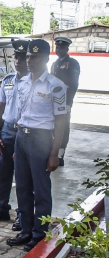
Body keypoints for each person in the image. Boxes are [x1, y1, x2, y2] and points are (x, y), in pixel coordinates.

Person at [7, 39, 68, 252]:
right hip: (22, 138)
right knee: (22, 187)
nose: (30, 61)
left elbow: (60, 121)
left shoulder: (55, 86)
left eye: (35, 57)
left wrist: (55, 153)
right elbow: (20, 113)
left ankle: (39, 233)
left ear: (46, 59)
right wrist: (18, 146)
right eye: (28, 57)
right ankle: (25, 230)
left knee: (41, 189)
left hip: (41, 140)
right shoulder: (22, 82)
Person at [0, 40, 29, 230]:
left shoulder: (34, 82)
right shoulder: (8, 80)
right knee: (4, 172)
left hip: (25, 132)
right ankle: (2, 208)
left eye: (22, 58)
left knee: (22, 175)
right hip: (7, 130)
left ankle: (23, 213)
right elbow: (0, 107)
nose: (18, 61)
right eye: (15, 57)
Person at [51, 37, 80, 167]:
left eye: (61, 47)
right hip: (53, 100)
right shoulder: (54, 63)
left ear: (67, 49)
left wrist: (69, 103)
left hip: (64, 100)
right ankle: (52, 151)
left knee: (63, 127)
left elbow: (73, 84)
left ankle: (60, 154)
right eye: (57, 47)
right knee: (52, 126)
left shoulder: (72, 63)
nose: (58, 50)